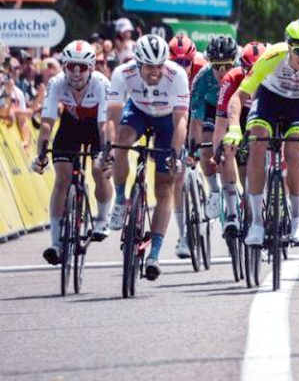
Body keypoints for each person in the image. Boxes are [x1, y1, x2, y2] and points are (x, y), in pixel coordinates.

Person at [224, 20, 299, 248]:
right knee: (256, 143)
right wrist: (234, 127)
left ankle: (297, 218)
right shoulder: (272, 56)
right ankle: (256, 223)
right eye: (298, 50)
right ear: (288, 46)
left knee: (295, 150)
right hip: (269, 100)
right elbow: (239, 96)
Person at [106, 35, 190, 280]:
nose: (155, 72)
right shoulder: (123, 73)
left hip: (167, 120)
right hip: (138, 112)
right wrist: (109, 149)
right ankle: (121, 199)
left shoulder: (177, 75)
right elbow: (112, 116)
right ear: (137, 62)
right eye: (149, 66)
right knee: (121, 141)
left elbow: (181, 120)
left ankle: (154, 253)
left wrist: (175, 155)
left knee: (165, 188)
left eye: (159, 65)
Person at [31, 41, 113, 265]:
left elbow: (105, 126)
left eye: (82, 67)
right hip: (70, 125)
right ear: (64, 66)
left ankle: (102, 219)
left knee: (99, 171)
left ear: (92, 67)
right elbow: (47, 122)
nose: (76, 72)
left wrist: (106, 153)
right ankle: (56, 243)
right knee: (62, 179)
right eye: (71, 66)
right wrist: (41, 154)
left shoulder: (101, 84)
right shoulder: (56, 83)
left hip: (97, 127)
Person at [186, 36, 239, 233]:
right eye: (217, 66)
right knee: (207, 148)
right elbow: (196, 120)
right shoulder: (202, 78)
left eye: (227, 65)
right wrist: (193, 147)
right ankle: (214, 190)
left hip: (236, 108)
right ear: (210, 63)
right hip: (211, 109)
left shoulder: (243, 71)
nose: (222, 71)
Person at [213, 41, 266, 234]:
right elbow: (220, 124)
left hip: (263, 112)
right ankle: (232, 214)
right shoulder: (231, 78)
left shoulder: (273, 77)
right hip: (239, 115)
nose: (252, 75)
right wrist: (217, 152)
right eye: (247, 70)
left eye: (257, 70)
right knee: (228, 150)